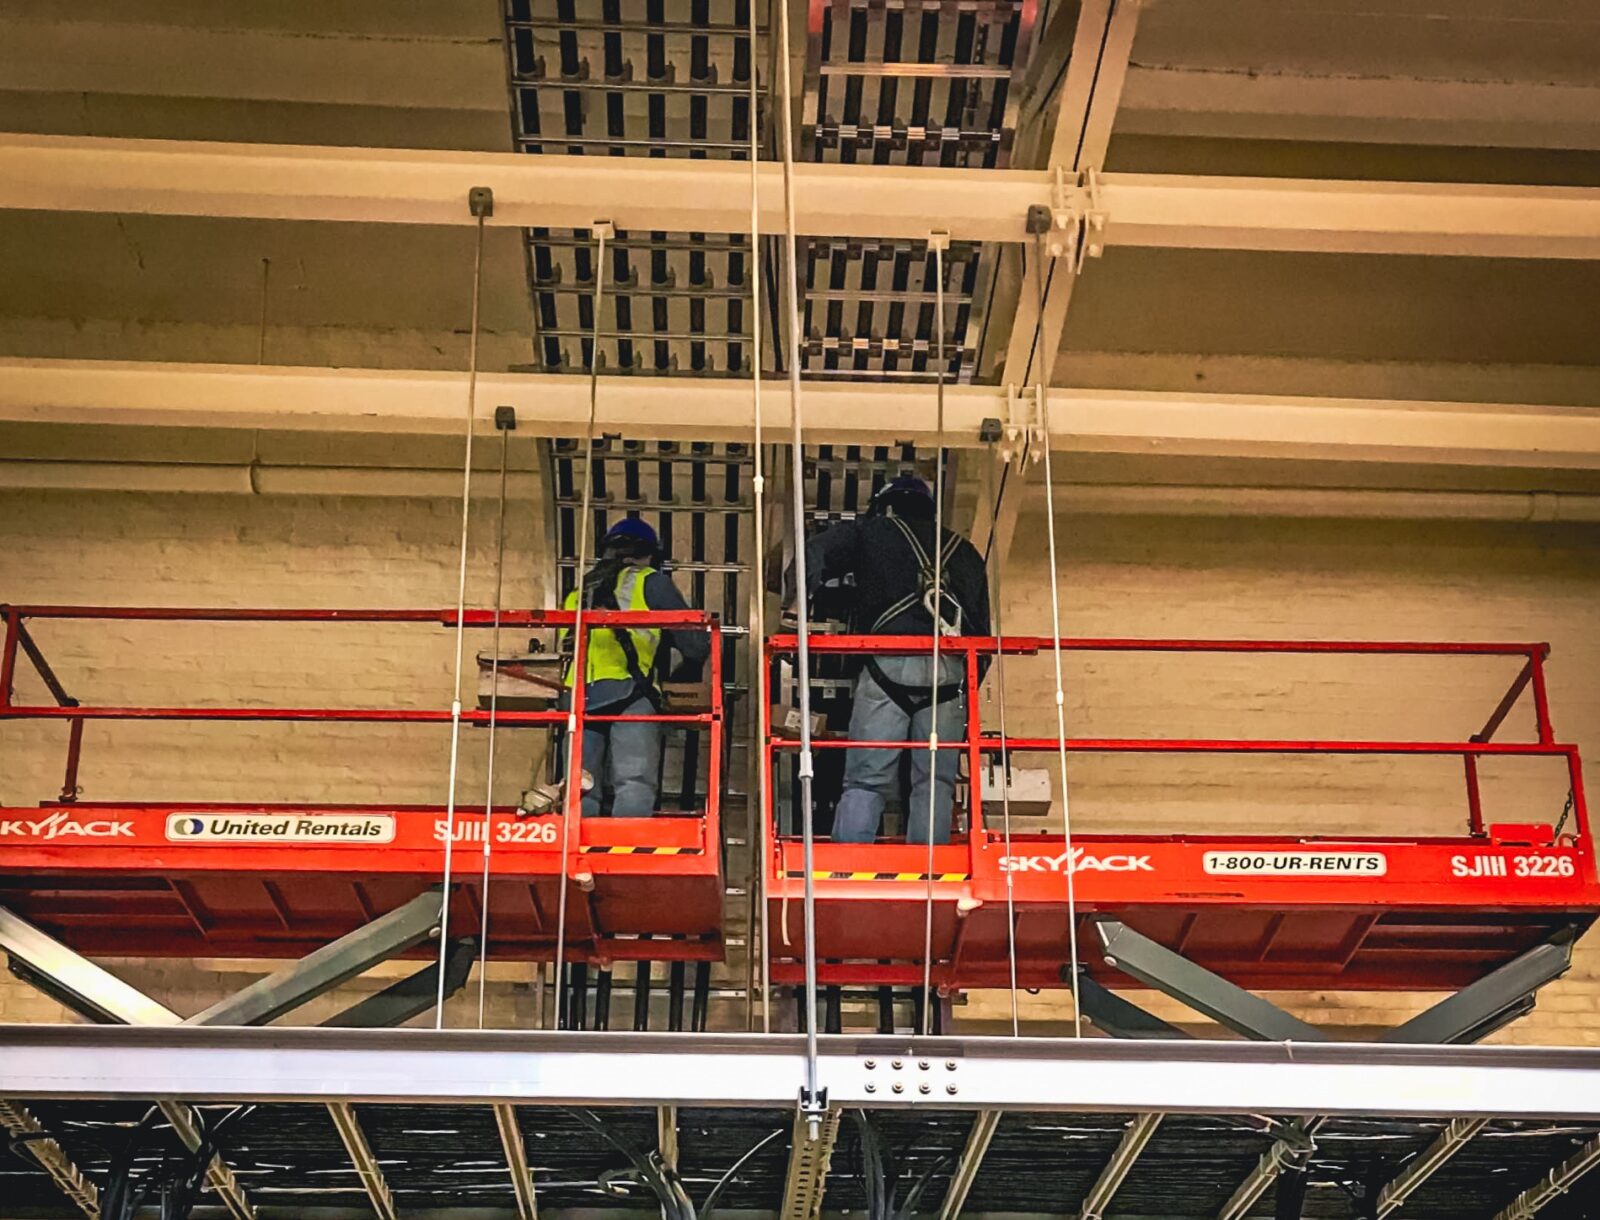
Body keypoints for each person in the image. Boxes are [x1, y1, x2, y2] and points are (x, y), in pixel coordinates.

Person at [798, 473, 990, 844]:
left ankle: (848, 865)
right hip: (948, 675)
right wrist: (967, 688)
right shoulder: (965, 551)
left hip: (887, 665)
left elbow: (815, 553)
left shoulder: (872, 533)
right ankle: (930, 871)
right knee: (935, 782)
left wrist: (797, 603)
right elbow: (981, 633)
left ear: (886, 506)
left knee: (866, 781)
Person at [563, 517, 707, 816]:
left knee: (579, 787)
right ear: (649, 554)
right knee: (634, 783)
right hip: (630, 692)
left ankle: (578, 857)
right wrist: (678, 679)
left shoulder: (577, 592)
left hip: (576, 696)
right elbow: (695, 646)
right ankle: (624, 855)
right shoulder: (650, 581)